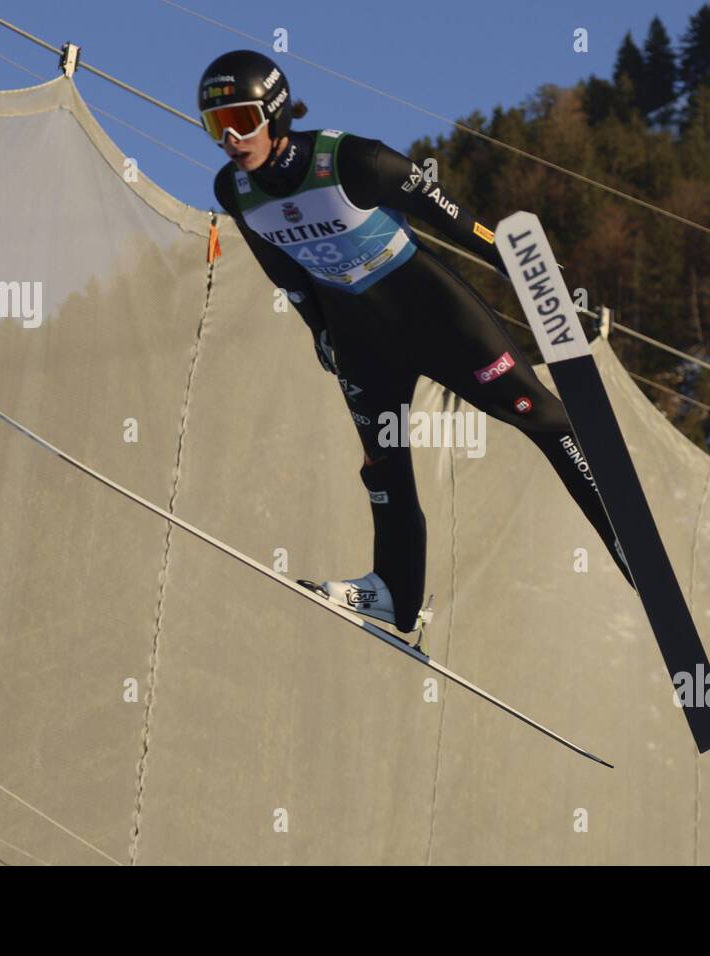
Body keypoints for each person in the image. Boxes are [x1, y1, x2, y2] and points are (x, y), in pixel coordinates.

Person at [200, 50, 633, 634]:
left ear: (274, 114)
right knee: (384, 465)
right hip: (358, 336)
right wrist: (320, 331)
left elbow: (460, 222)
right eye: (216, 126)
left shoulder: (355, 160)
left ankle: (625, 537)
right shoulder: (235, 190)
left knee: (539, 415)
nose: (230, 138)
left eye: (241, 121)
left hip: (431, 314)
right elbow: (283, 269)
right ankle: (395, 594)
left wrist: (534, 278)